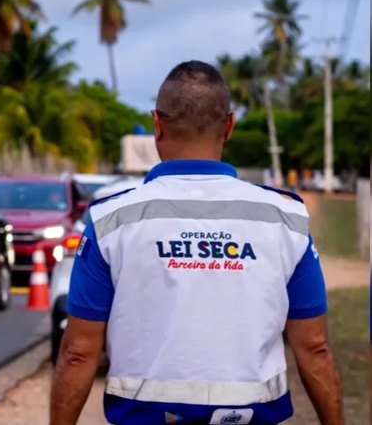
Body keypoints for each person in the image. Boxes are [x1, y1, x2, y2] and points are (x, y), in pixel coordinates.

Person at [50, 61, 343, 425]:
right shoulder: (284, 219)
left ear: (157, 124)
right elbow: (314, 347)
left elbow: (78, 352)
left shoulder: (111, 220)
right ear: (230, 126)